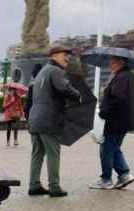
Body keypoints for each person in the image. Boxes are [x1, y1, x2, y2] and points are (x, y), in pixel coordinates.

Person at [28, 44, 82, 198]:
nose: (67, 57)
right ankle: (54, 186)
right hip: (49, 119)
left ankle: (34, 184)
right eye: (64, 54)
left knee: (37, 153)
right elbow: (63, 88)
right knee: (53, 153)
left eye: (68, 55)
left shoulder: (41, 73)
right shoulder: (55, 71)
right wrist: (78, 95)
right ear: (53, 56)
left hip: (36, 118)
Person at [89, 56, 134, 190]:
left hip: (115, 121)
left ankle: (106, 179)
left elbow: (118, 98)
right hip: (122, 120)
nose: (110, 65)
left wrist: (104, 112)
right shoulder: (127, 76)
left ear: (120, 63)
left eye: (112, 62)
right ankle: (124, 175)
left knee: (107, 149)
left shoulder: (122, 77)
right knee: (114, 148)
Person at [3, 69, 25, 147]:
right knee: (9, 128)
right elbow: (4, 106)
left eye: (13, 90)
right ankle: (8, 141)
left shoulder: (17, 97)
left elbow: (20, 105)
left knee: (16, 127)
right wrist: (11, 101)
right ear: (9, 90)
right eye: (11, 90)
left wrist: (22, 113)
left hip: (16, 113)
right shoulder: (7, 97)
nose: (12, 91)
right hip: (8, 113)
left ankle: (15, 140)